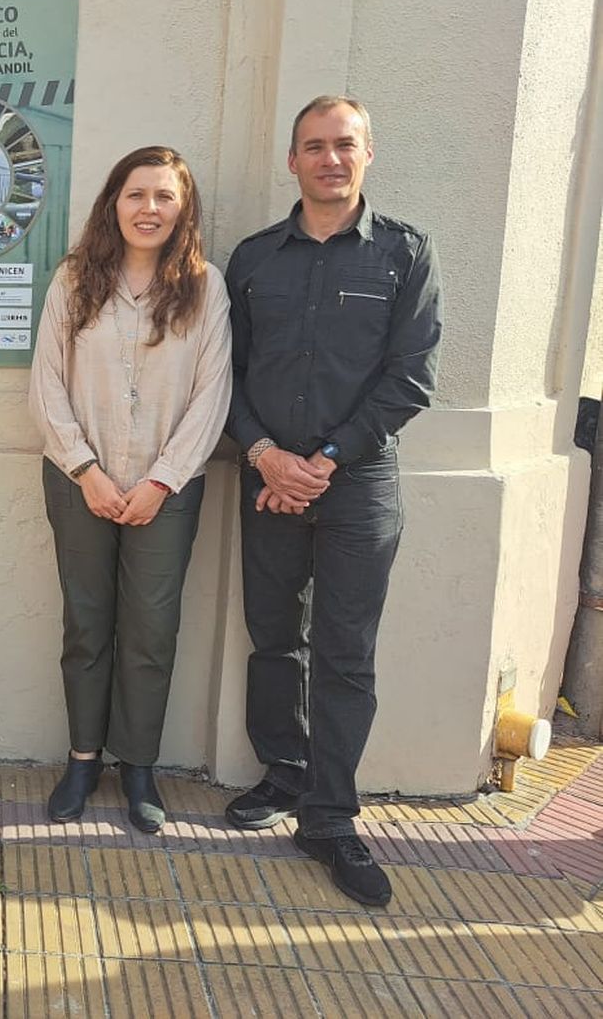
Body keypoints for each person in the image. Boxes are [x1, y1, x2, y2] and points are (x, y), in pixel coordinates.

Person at [224, 96, 441, 907]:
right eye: (313, 147)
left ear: (367, 154)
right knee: (274, 637)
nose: (329, 159)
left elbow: (411, 377)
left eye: (344, 145)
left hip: (359, 485)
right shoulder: (253, 259)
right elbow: (228, 379)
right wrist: (267, 456)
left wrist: (324, 460)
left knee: (346, 650)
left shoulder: (403, 254)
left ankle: (331, 815)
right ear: (292, 160)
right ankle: (282, 771)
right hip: (265, 479)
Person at [29, 146, 231, 832]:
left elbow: (212, 395)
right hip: (77, 479)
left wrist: (160, 481)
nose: (149, 208)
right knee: (87, 623)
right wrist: (85, 469)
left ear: (183, 209)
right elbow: (46, 384)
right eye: (136, 194)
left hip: (165, 489)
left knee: (151, 629)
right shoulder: (74, 280)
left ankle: (138, 764)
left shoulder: (206, 288)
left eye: (164, 196)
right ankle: (83, 758)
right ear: (113, 202)